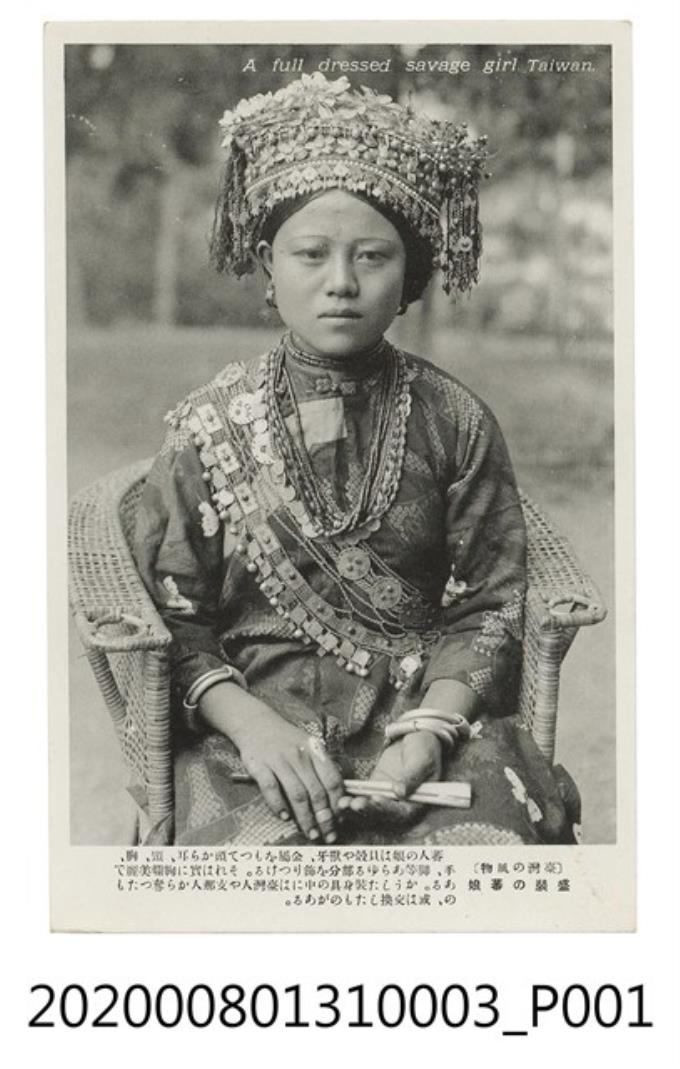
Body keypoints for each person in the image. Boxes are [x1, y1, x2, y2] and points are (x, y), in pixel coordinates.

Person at [133, 73, 578, 846]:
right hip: (253, 724)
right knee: (246, 868)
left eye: (372, 256)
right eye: (311, 254)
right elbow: (172, 619)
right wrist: (251, 726)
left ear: (409, 278)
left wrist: (431, 729)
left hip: (426, 711)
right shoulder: (208, 427)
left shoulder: (456, 420)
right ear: (268, 265)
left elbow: (491, 604)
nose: (341, 283)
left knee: (493, 845)